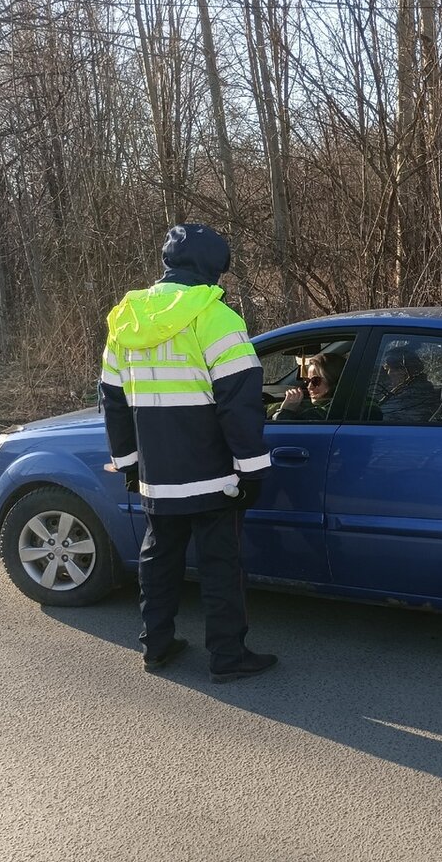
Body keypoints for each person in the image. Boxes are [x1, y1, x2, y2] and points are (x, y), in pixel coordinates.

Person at [99, 223, 277, 684]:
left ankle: (156, 647)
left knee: (159, 560)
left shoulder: (125, 319)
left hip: (158, 475)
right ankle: (228, 657)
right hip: (214, 476)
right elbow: (240, 404)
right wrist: (253, 470)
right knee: (220, 567)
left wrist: (129, 463)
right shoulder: (216, 318)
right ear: (214, 269)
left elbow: (113, 402)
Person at [271, 353, 345, 421]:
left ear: (334, 380)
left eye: (315, 381)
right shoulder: (343, 408)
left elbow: (278, 433)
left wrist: (285, 411)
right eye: (307, 381)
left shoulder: (316, 416)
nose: (309, 387)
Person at [377, 347, 438, 422]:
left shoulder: (413, 396)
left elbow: (385, 416)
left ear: (403, 371)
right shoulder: (404, 390)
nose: (389, 373)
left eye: (390, 369)